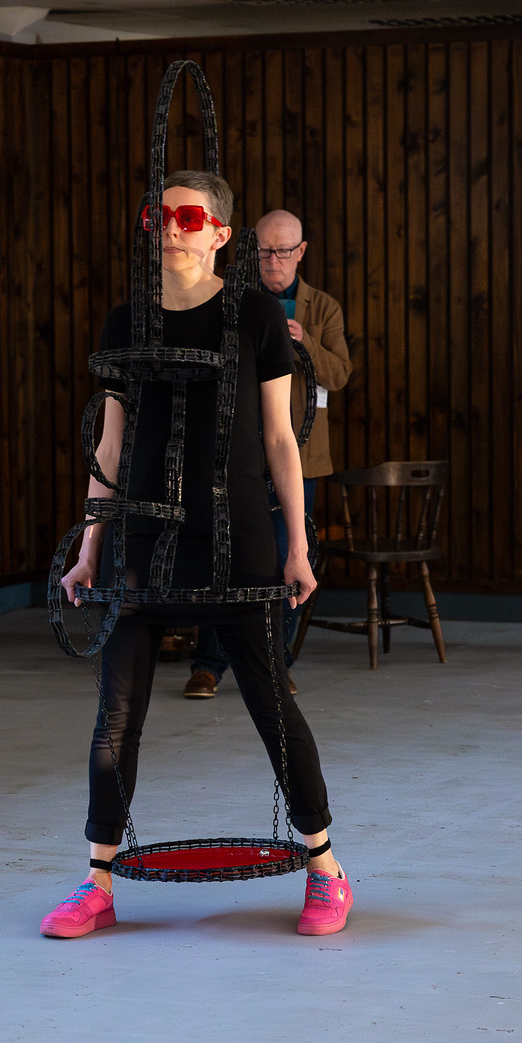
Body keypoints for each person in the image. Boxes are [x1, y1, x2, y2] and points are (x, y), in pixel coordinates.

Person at [51, 170, 350, 940]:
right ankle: (97, 882)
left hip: (235, 534)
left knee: (270, 701)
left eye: (188, 217)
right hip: (141, 538)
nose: (171, 229)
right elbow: (110, 444)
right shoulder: (128, 319)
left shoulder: (254, 315)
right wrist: (90, 545)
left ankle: (325, 867)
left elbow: (280, 438)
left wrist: (297, 545)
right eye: (159, 216)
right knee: (117, 714)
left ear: (219, 233)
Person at [185, 208, 353, 699]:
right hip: (235, 454)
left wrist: (303, 342)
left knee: (288, 557)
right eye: (263, 251)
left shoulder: (323, 308)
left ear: (301, 252)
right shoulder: (231, 299)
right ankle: (209, 665)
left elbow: (339, 374)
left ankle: (276, 664)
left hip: (299, 457)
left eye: (282, 251)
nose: (272, 260)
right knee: (221, 554)